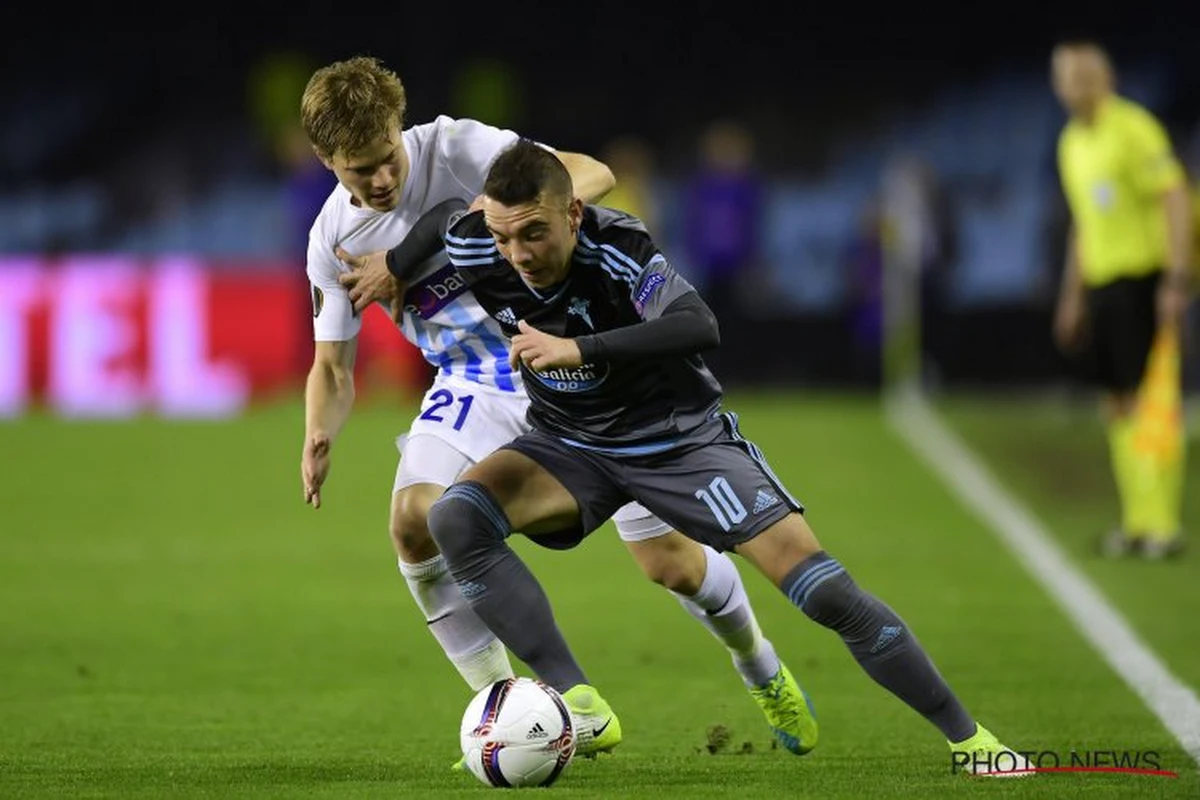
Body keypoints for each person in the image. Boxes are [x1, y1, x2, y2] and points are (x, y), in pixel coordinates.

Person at [349, 139, 1028, 777]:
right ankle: (577, 699)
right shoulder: (478, 241)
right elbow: (444, 217)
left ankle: (972, 741)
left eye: (534, 233)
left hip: (675, 443)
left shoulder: (617, 246)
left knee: (819, 590)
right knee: (455, 519)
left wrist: (582, 350)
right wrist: (396, 264)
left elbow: (698, 324)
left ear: (573, 213)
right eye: (503, 236)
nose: (517, 253)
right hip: (569, 445)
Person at [298, 56, 810, 762]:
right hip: (475, 379)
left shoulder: (458, 147)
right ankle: (513, 714)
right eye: (361, 171)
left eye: (388, 157)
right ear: (326, 160)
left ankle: (760, 665)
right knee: (414, 524)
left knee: (673, 565)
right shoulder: (333, 241)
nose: (383, 179)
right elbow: (331, 365)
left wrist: (456, 227)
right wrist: (318, 432)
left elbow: (588, 173)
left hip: (566, 362)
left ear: (400, 127)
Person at [1050, 41, 1193, 559]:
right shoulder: (1071, 142)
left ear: (1103, 78)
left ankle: (1163, 525)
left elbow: (1175, 195)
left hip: (1143, 278)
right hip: (1103, 284)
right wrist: (1073, 296)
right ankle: (1136, 522)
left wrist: (1176, 279)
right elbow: (1083, 226)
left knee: (1152, 402)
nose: (1073, 87)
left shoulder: (1134, 128)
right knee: (1116, 402)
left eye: (1081, 76)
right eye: (1064, 78)